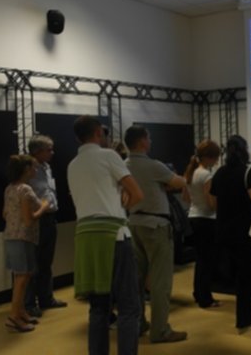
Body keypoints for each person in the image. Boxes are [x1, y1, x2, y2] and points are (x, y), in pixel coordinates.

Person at [67, 115, 143, 355]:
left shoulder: (72, 165)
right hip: (114, 235)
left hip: (85, 238)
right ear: (99, 132)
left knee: (99, 307)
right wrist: (123, 201)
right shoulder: (109, 156)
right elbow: (137, 194)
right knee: (129, 305)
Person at [124, 125, 188, 343]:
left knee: (137, 280)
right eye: (148, 138)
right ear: (142, 141)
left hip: (134, 223)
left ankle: (139, 323)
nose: (150, 142)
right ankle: (160, 330)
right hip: (156, 225)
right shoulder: (153, 165)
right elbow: (179, 182)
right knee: (161, 281)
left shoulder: (124, 165)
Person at [209, 135, 251, 334]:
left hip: (224, 230)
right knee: (247, 277)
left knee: (235, 274)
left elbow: (213, 202)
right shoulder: (248, 172)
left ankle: (242, 318)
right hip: (245, 232)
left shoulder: (220, 172)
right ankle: (244, 320)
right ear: (245, 150)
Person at [3, 154, 50, 332]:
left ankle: (21, 311)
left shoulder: (9, 189)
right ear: (26, 169)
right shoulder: (25, 190)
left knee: (21, 276)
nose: (35, 170)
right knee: (22, 278)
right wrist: (44, 207)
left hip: (11, 236)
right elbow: (29, 220)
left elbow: (5, 214)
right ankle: (14, 317)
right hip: (23, 238)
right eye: (33, 167)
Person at [24, 135, 67, 319]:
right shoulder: (27, 167)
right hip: (36, 218)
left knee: (46, 261)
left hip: (50, 217)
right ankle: (29, 304)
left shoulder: (47, 167)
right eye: (48, 149)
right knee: (33, 263)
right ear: (37, 151)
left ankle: (46, 298)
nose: (52, 152)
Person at [183, 139, 221, 308]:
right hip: (206, 219)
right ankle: (205, 298)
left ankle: (199, 293)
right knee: (207, 261)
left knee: (200, 260)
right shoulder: (206, 175)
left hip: (193, 216)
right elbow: (211, 203)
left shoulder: (190, 173)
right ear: (210, 157)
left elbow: (185, 198)